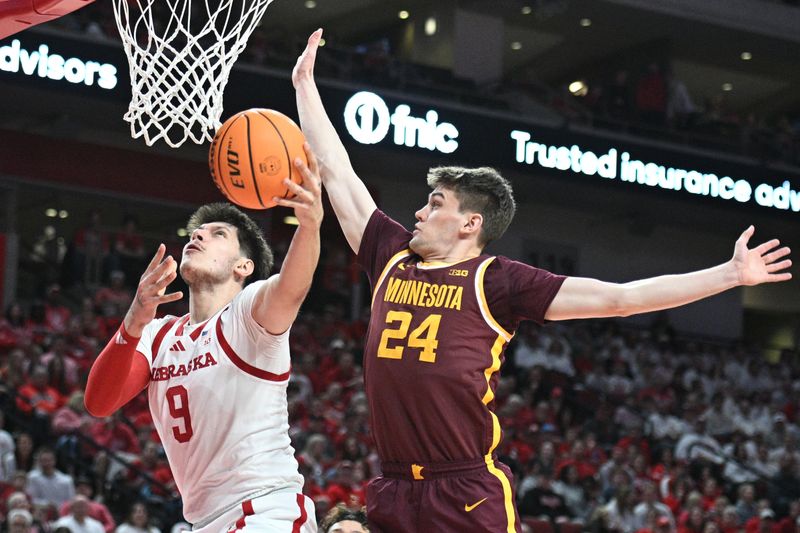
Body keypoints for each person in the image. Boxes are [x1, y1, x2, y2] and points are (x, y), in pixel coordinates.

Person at [292, 29, 793, 533]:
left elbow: (621, 299)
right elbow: (338, 171)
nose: (419, 212)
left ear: (471, 224)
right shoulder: (390, 255)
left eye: (436, 204)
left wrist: (728, 274)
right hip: (395, 486)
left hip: (464, 491)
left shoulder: (496, 281)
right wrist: (304, 86)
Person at [84, 148, 324, 532]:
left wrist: (309, 226)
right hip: (204, 521)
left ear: (243, 266)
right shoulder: (158, 333)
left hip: (266, 510)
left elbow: (291, 287)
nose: (198, 235)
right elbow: (98, 403)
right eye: (197, 231)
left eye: (218, 234)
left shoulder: (247, 314)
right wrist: (132, 320)